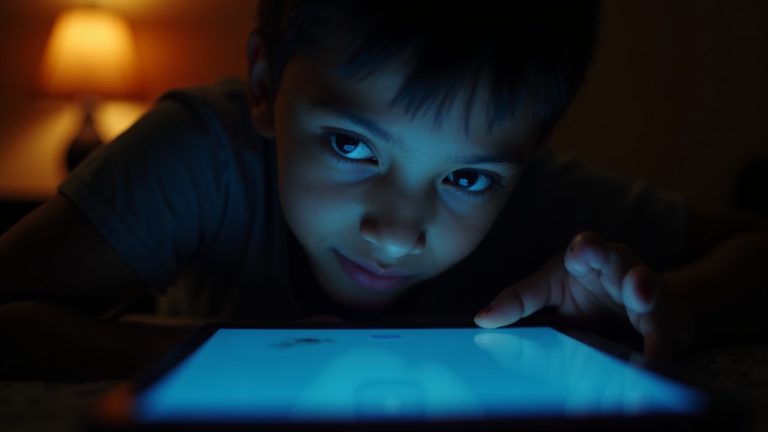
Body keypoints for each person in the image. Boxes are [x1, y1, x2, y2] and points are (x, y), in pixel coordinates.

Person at [0, 0, 765, 380]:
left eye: (467, 177)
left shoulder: (548, 211)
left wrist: (658, 307)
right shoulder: (204, 154)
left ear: (527, 154)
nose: (399, 233)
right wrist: (227, 359)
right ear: (266, 86)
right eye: (350, 144)